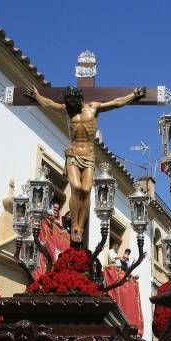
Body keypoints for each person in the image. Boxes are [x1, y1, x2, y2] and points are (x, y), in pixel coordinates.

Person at [24, 85, 145, 245]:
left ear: (80, 99)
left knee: (86, 190)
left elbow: (116, 102)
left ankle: (80, 225)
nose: (71, 104)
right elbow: (48, 104)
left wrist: (132, 95)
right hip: (73, 154)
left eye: (73, 101)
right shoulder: (68, 110)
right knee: (76, 187)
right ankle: (74, 224)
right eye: (69, 102)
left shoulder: (93, 107)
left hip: (89, 156)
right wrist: (37, 95)